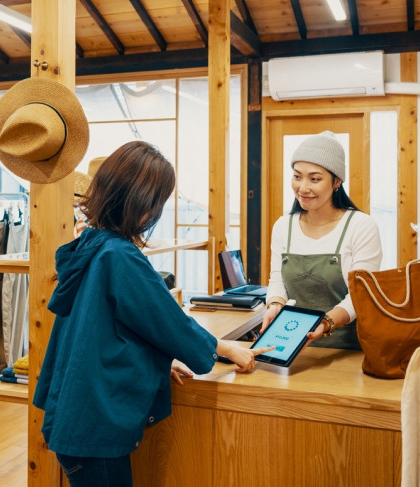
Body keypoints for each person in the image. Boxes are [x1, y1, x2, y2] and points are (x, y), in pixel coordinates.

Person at [33, 141, 273, 487]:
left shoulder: (92, 245)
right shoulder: (120, 256)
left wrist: (161, 359)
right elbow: (171, 325)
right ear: (143, 204)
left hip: (78, 413)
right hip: (95, 425)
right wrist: (231, 348)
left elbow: (113, 328)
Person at [260, 130, 383, 350]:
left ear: (336, 181)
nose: (303, 187)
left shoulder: (360, 226)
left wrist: (326, 323)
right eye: (297, 176)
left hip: (349, 350)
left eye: (315, 179)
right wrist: (275, 305)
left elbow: (361, 296)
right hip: (291, 345)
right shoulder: (283, 226)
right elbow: (277, 279)